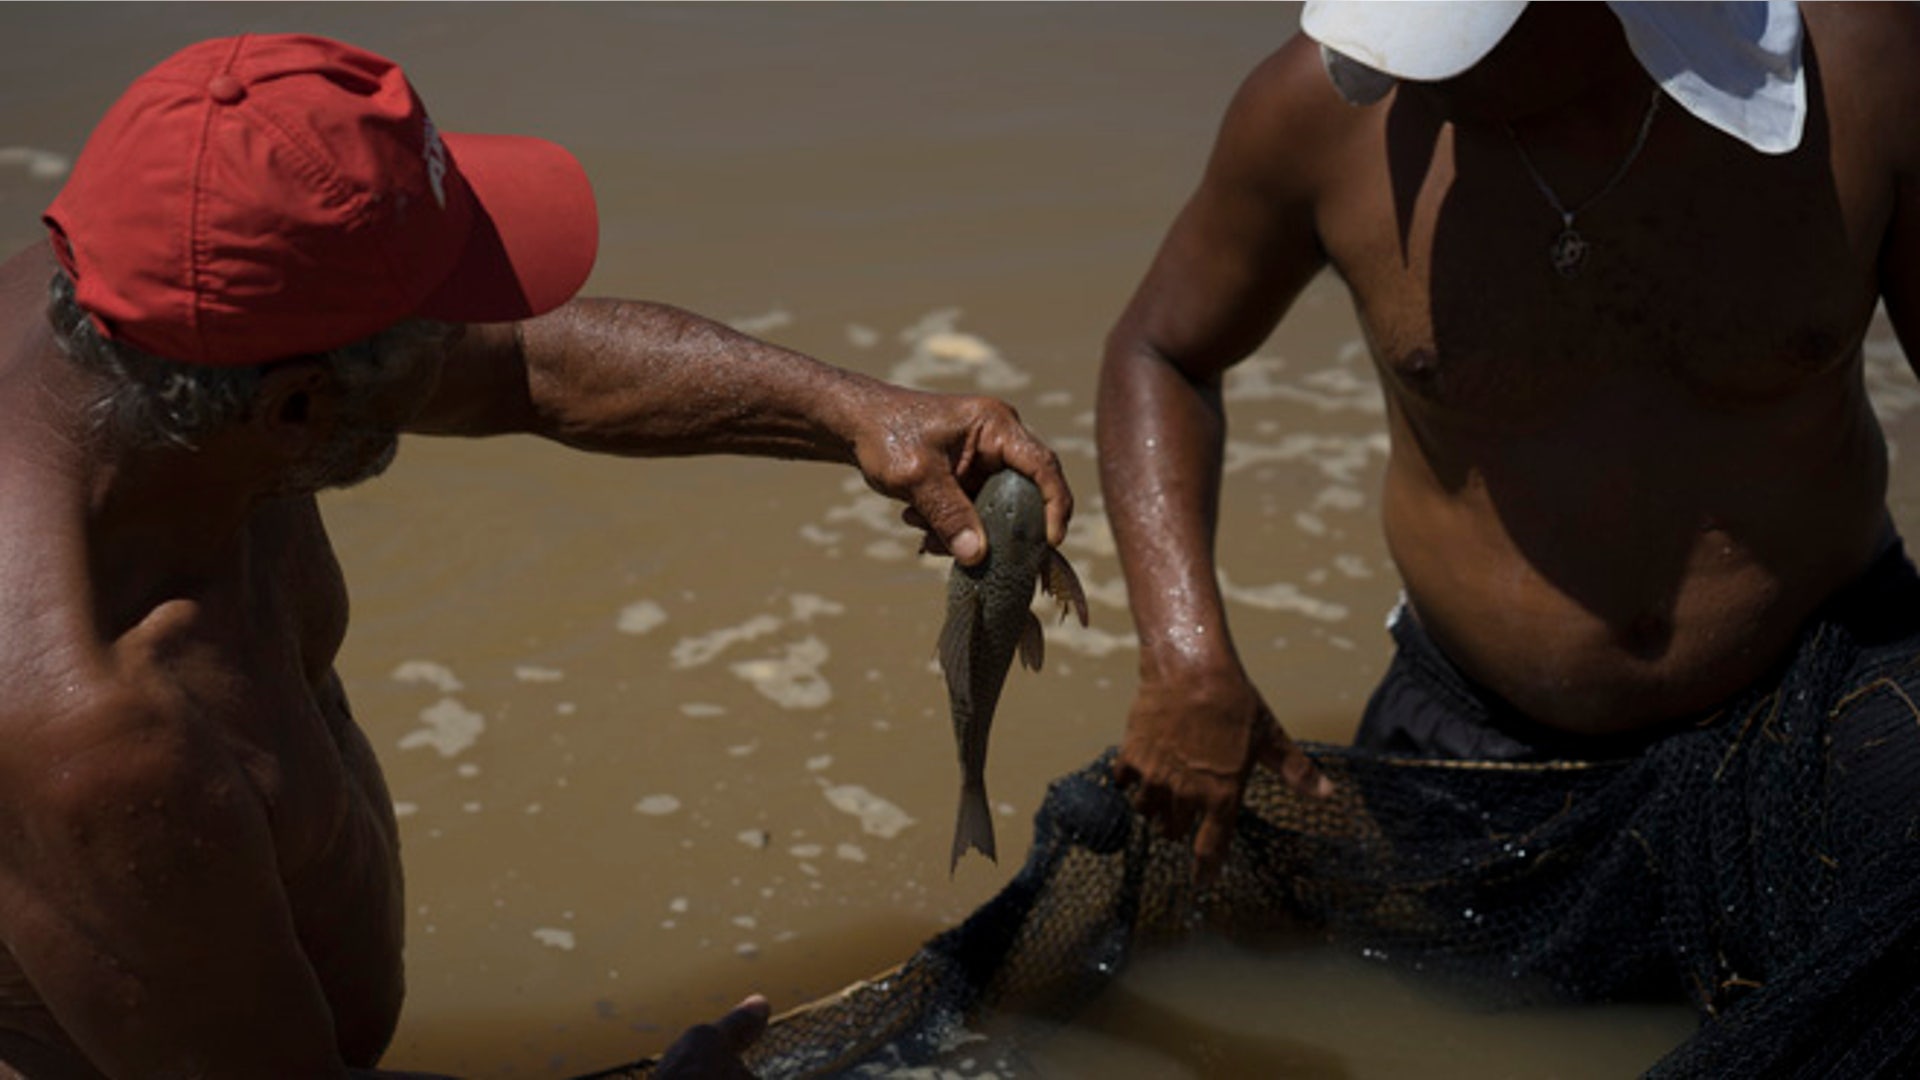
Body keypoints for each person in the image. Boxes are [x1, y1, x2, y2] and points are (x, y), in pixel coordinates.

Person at [0, 33, 1072, 1080]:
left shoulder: (153, 320)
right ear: (295, 408)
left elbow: (523, 366)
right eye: (437, 314)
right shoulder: (97, 735)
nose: (479, 324)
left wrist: (857, 413)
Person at [1099, 0, 1920, 879]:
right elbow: (1164, 352)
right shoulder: (1322, 111)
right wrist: (1188, 661)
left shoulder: (1868, 76)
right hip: (1471, 737)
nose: (1425, 72)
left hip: (1834, 692)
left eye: (1461, 39)